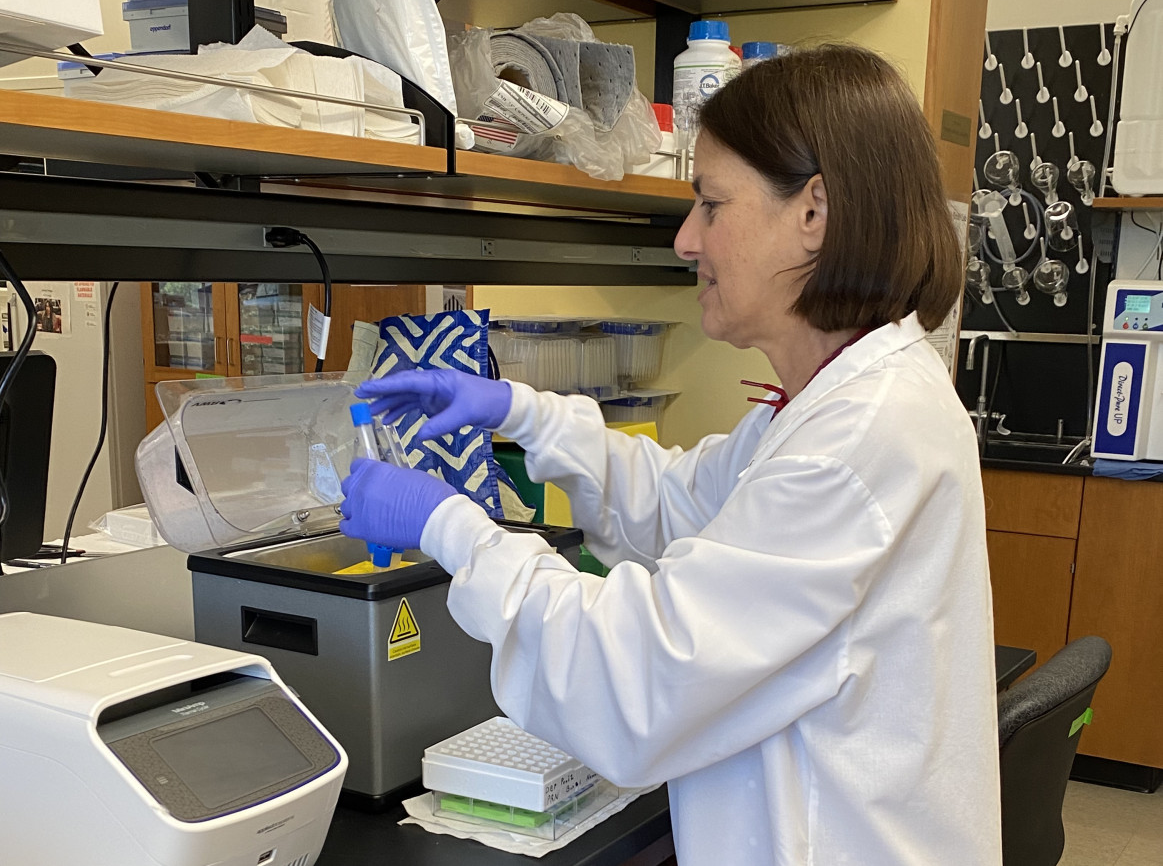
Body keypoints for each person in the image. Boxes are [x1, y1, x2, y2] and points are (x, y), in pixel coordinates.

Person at [340, 43, 1001, 866]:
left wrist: (451, 526)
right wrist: (522, 411)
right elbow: (687, 500)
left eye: (711, 205)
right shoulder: (844, 398)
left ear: (814, 211)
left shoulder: (857, 441)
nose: (686, 239)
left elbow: (638, 679)